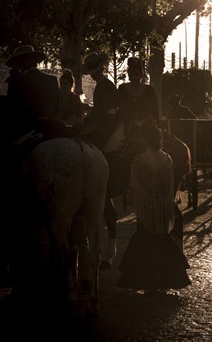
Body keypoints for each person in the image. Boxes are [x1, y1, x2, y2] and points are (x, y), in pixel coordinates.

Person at [117, 122, 191, 291]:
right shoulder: (167, 159)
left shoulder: (138, 160)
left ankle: (145, 281)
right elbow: (170, 186)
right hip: (163, 208)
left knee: (144, 240)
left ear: (144, 140)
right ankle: (166, 279)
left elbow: (134, 187)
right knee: (162, 239)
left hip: (146, 209)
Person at [80, 51, 119, 269]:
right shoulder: (102, 85)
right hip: (101, 121)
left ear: (100, 69)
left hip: (106, 127)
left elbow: (106, 113)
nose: (93, 75)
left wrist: (89, 119)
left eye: (94, 71)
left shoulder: (107, 86)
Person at [6, 45, 63, 138]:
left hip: (27, 129)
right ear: (36, 62)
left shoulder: (16, 82)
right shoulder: (52, 79)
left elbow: (12, 110)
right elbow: (58, 107)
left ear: (21, 64)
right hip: (51, 128)